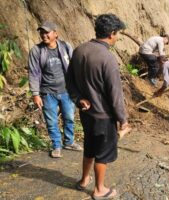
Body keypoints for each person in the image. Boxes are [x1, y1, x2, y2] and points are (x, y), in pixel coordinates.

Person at [66, 14, 131, 199]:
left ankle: (84, 180)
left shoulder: (79, 50)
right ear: (112, 33)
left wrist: (78, 98)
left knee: (90, 147)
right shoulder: (107, 58)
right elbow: (115, 94)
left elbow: (68, 80)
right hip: (103, 117)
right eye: (118, 33)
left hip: (87, 114)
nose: (117, 37)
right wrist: (122, 120)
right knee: (103, 153)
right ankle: (99, 189)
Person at [28, 21, 82, 158]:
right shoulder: (36, 51)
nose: (43, 35)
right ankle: (56, 145)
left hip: (66, 91)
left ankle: (69, 142)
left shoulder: (65, 47)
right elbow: (33, 73)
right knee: (51, 121)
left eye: (47, 32)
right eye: (41, 32)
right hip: (47, 93)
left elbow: (75, 65)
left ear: (55, 34)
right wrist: (35, 94)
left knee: (69, 118)